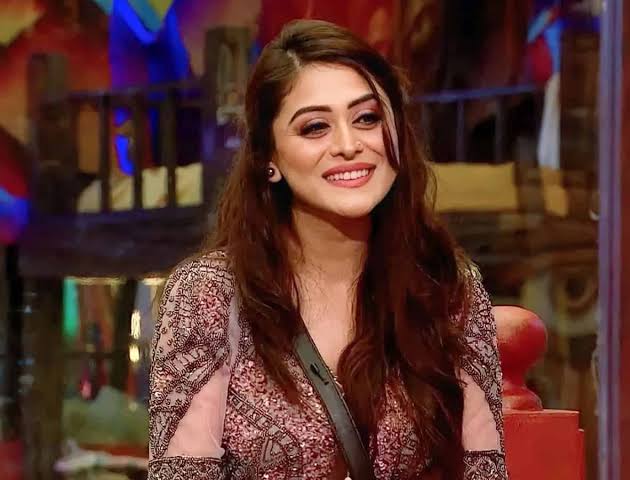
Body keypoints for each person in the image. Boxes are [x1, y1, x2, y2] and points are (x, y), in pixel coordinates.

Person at [148, 19, 507, 480]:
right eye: (315, 127)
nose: (348, 145)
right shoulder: (209, 295)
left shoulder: (448, 287)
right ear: (269, 159)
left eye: (367, 119)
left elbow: (484, 468)